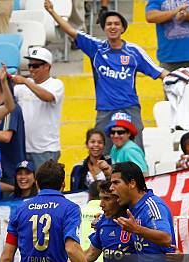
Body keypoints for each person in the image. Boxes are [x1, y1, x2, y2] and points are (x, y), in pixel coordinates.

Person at [46, 0, 169, 152]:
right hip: (105, 110)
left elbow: (158, 71)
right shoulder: (96, 48)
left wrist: (178, 77)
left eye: (117, 24)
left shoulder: (134, 51)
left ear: (123, 28)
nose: (113, 27)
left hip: (129, 108)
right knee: (101, 153)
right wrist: (52, 12)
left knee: (136, 151)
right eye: (109, 24)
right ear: (104, 28)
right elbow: (72, 31)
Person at [11, 47, 64, 170]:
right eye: (29, 65)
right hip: (23, 147)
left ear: (47, 66)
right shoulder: (23, 85)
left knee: (45, 185)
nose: (31, 69)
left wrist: (26, 82)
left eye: (35, 66)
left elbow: (48, 97)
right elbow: (7, 102)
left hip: (46, 149)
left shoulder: (56, 84)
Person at [145, 0, 189, 75]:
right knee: (170, 86)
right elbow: (150, 16)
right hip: (168, 58)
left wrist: (186, 15)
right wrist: (174, 12)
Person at [0, 74, 26, 186]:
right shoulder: (8, 108)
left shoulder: (8, 109)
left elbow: (6, 136)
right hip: (9, 170)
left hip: (10, 171)